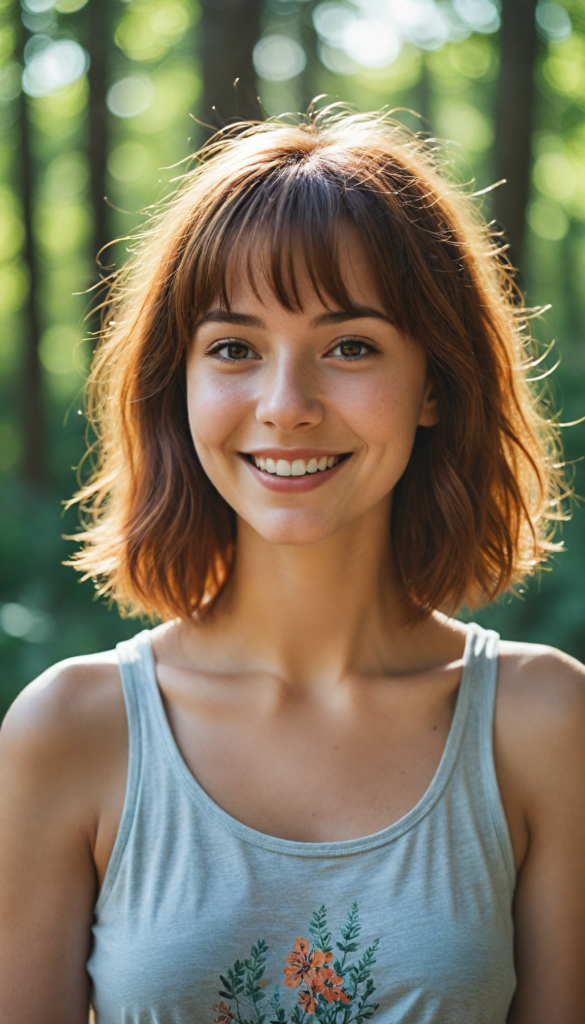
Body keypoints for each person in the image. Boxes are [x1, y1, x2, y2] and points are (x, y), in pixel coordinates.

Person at [0, 107, 584, 1024]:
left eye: (349, 346)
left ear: (434, 383)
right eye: (233, 348)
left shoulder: (544, 724)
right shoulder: (70, 733)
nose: (285, 405)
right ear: (178, 385)